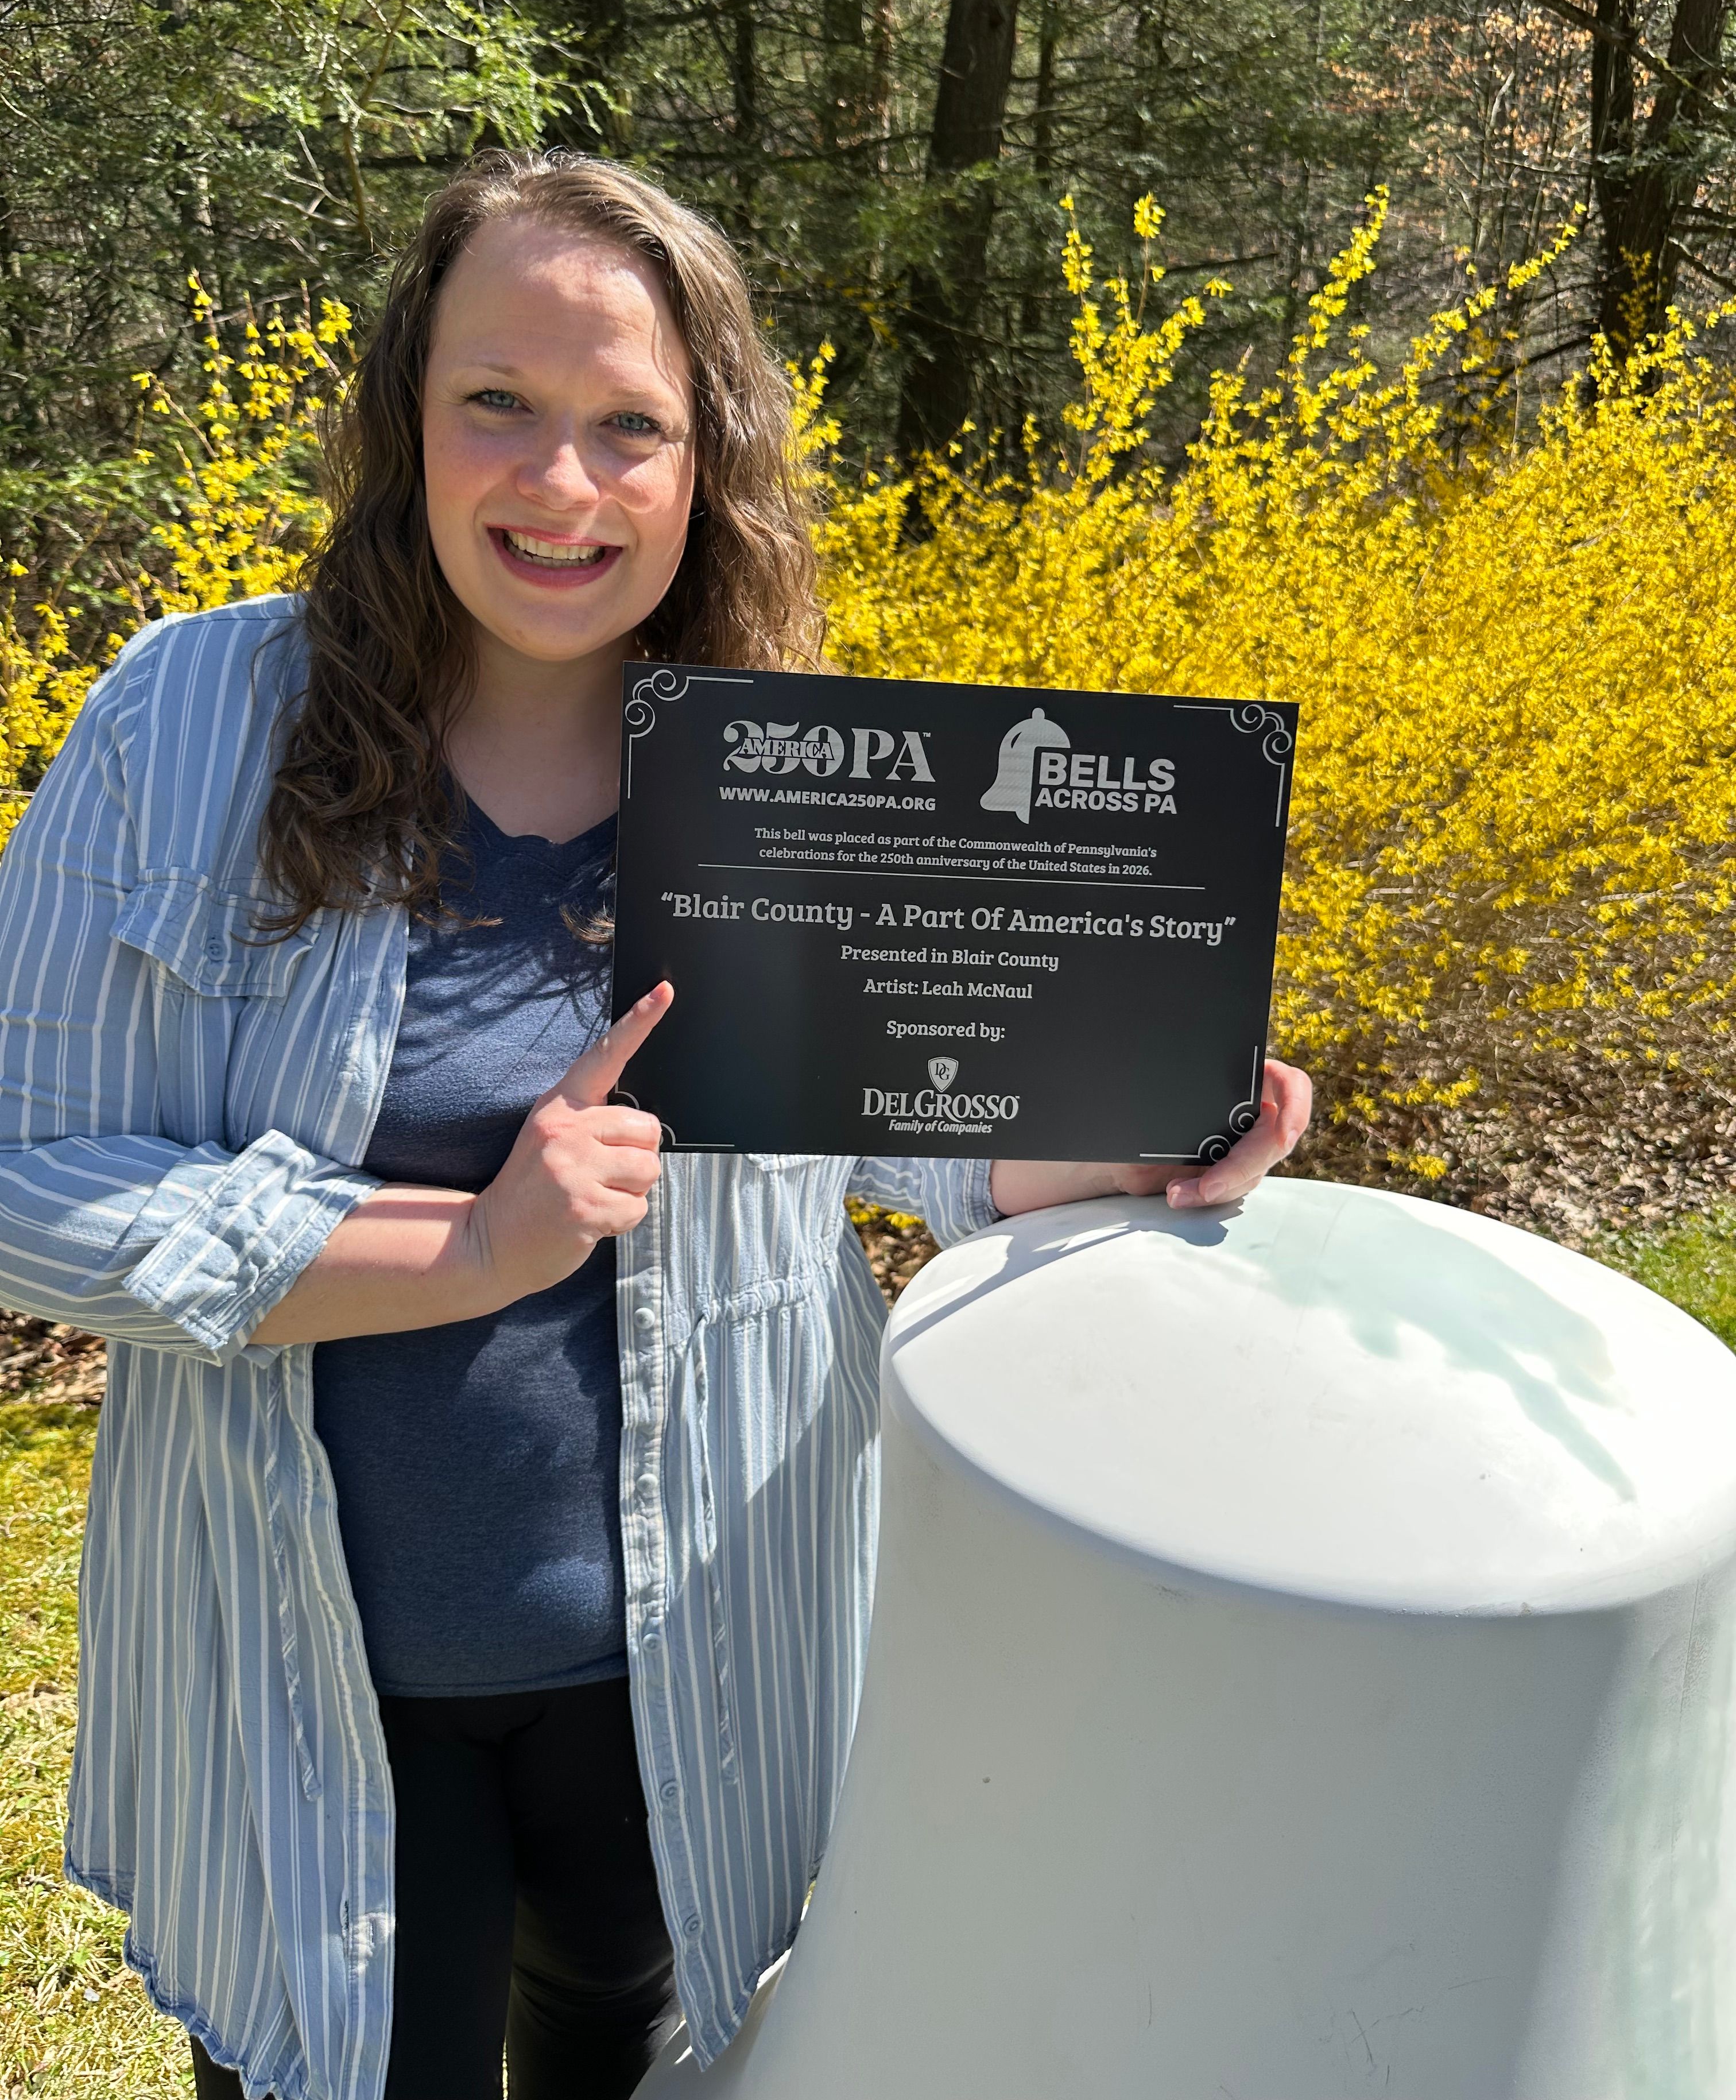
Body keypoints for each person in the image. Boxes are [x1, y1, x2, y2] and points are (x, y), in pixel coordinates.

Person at [0, 153, 1311, 2100]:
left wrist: (1124, 1138)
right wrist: (471, 1246)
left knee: (641, 2059)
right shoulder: (196, 720)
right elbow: (29, 1186)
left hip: (693, 1663)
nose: (562, 482)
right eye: (498, 406)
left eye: (634, 425)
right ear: (404, 422)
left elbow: (915, 1145)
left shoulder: (795, 760)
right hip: (303, 1662)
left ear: (709, 461)